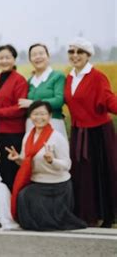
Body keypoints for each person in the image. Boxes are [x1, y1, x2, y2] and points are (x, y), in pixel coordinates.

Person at [7, 101, 86, 231]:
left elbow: (67, 165)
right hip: (38, 182)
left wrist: (52, 161)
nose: (39, 117)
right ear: (30, 116)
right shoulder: (28, 136)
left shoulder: (57, 137)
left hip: (57, 185)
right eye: (35, 114)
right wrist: (17, 159)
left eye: (43, 114)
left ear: (49, 116)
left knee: (29, 198)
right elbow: (27, 162)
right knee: (23, 196)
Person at [64, 37, 117, 227]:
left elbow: (109, 99)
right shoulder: (69, 77)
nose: (75, 56)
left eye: (80, 52)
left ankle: (107, 216)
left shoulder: (97, 76)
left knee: (102, 174)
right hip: (79, 132)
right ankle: (87, 215)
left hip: (98, 133)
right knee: (81, 176)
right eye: (71, 51)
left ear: (88, 55)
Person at [0, 45, 28, 191]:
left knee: (11, 171)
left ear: (14, 59)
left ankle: (13, 205)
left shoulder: (19, 80)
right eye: (1, 58)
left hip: (13, 133)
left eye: (7, 57)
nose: (4, 61)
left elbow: (20, 109)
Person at [18, 43, 67, 137]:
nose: (38, 57)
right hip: (31, 125)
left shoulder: (57, 76)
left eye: (41, 53)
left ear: (48, 56)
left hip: (53, 123)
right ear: (30, 60)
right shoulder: (30, 81)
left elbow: (58, 101)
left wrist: (33, 103)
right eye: (34, 55)